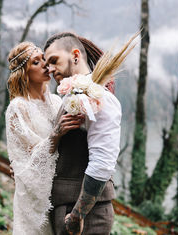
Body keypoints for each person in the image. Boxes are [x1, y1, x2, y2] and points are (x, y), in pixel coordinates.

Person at [44, 32, 123, 235]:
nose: (50, 70)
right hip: (66, 208)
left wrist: (77, 215)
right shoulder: (70, 97)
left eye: (54, 61)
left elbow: (102, 164)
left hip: (87, 217)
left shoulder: (101, 99)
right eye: (47, 64)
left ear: (76, 55)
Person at [5, 41, 84, 234]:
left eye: (44, 59)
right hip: (34, 200)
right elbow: (27, 160)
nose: (45, 65)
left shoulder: (58, 101)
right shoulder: (18, 107)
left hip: (61, 192)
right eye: (35, 62)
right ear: (24, 73)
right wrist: (55, 135)